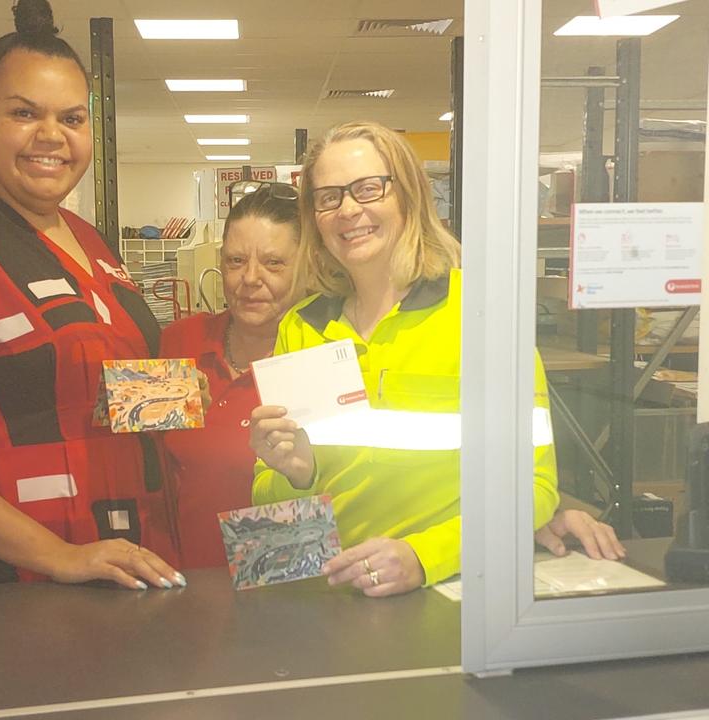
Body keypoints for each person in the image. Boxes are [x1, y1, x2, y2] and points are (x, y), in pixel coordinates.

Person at [249, 121, 625, 597]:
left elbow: (532, 489)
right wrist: (296, 477)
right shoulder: (302, 327)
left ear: (407, 196)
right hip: (332, 591)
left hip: (447, 588)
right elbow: (267, 496)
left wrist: (424, 556)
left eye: (368, 189)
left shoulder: (483, 314)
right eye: (328, 197)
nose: (348, 210)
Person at [0, 0, 183, 590]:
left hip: (125, 560)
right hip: (14, 584)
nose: (51, 137)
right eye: (24, 113)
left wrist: (220, 382)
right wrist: (58, 555)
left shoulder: (89, 240)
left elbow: (95, 388)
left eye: (72, 119)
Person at [159, 183, 303, 568]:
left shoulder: (318, 360)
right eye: (236, 261)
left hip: (278, 588)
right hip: (175, 585)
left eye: (273, 263)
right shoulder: (180, 342)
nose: (250, 278)